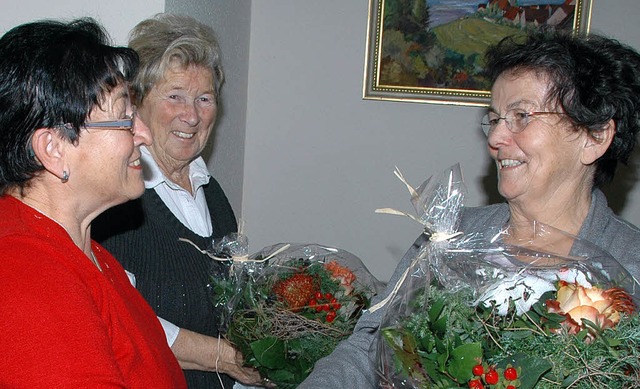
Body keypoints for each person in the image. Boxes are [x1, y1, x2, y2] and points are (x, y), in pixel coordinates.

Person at [299, 30, 640, 388]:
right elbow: (368, 346)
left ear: (594, 137)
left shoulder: (629, 268)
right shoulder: (449, 236)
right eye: (495, 119)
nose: (495, 139)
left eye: (522, 116)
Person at [0, 18, 186, 388]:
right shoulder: (28, 280)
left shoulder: (84, 251)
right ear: (53, 149)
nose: (144, 134)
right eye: (123, 119)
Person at [92, 13, 261, 388]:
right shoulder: (121, 204)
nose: (192, 115)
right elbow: (127, 322)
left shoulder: (211, 190)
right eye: (175, 97)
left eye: (204, 98)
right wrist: (228, 359)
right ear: (137, 104)